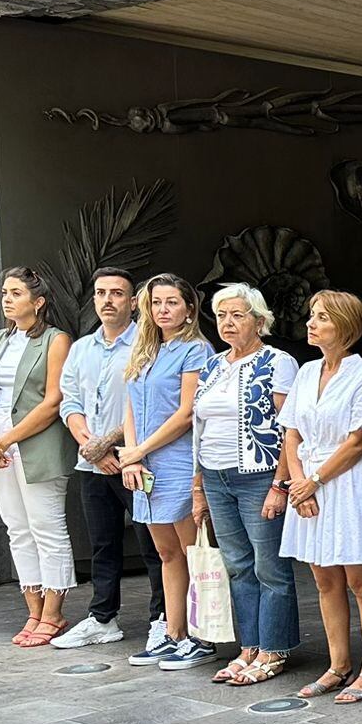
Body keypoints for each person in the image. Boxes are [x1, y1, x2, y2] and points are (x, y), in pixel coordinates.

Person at [278, 291, 362, 703]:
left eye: (322, 318)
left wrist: (313, 480)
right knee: (323, 577)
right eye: (311, 316)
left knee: (360, 579)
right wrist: (298, 485)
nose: (311, 324)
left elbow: (357, 441)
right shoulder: (306, 371)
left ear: (345, 326)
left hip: (347, 483)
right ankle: (338, 665)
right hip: (308, 482)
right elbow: (291, 431)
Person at [189, 285, 299, 686]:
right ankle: (249, 646)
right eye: (221, 315)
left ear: (259, 319)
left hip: (259, 475)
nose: (228, 323)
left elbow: (290, 428)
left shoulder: (278, 362)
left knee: (270, 566)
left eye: (237, 315)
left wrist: (281, 483)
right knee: (237, 566)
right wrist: (198, 485)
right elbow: (198, 428)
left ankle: (274, 648)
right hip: (217, 476)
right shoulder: (213, 365)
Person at [54, 268, 165, 652]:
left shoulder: (148, 346)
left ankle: (162, 621)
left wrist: (108, 445)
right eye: (101, 292)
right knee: (103, 544)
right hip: (93, 464)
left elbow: (147, 405)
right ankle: (103, 618)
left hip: (135, 460)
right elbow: (69, 401)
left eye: (117, 293)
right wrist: (90, 445)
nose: (107, 300)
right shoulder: (81, 348)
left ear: (133, 302)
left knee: (153, 544)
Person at [0, 268, 75, 645]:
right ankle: (33, 611)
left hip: (37, 447)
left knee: (47, 529)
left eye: (16, 293)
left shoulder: (56, 339)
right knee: (17, 530)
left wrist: (6, 440)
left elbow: (53, 402)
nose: (7, 299)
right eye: (4, 292)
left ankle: (54, 614)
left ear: (38, 301)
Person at [120, 274, 215, 669]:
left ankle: (201, 635)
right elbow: (129, 407)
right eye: (157, 302)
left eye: (172, 302)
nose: (163, 310)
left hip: (177, 461)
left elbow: (187, 412)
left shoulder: (196, 350)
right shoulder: (145, 350)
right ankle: (173, 632)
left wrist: (140, 449)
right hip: (145, 463)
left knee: (193, 551)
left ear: (189, 308)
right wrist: (133, 456)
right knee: (165, 552)